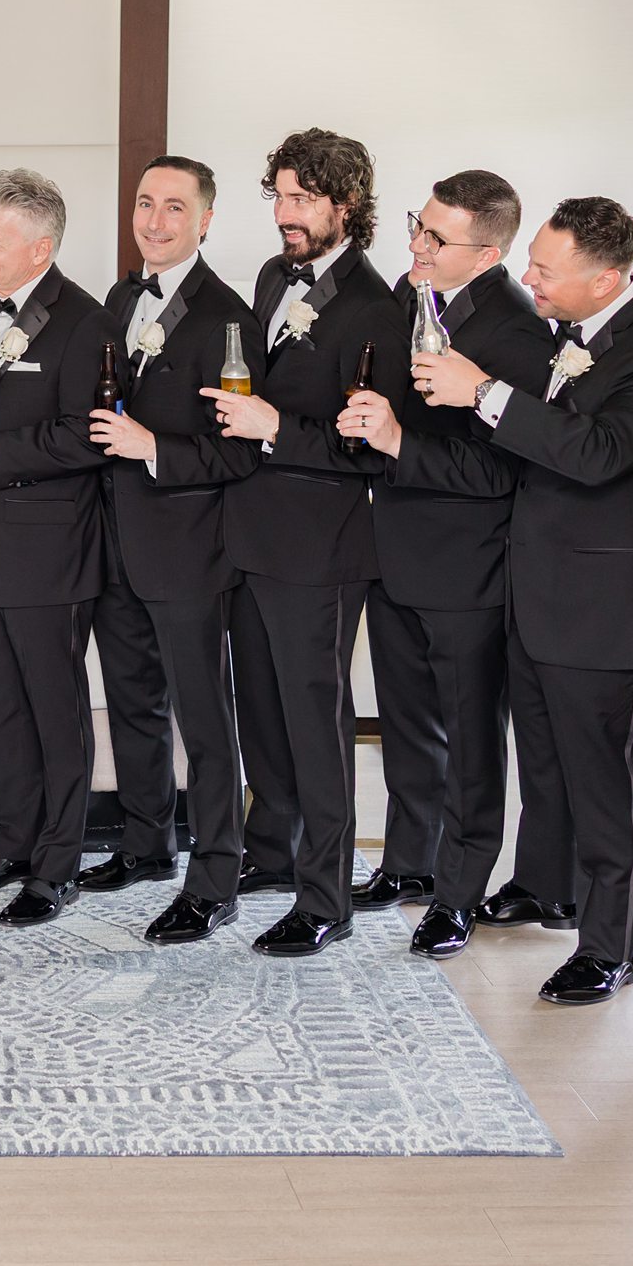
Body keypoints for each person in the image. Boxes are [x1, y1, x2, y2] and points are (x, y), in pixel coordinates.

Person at [366, 196, 633, 1004]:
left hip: (612, 601)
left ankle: (609, 941)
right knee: (547, 760)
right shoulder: (572, 335)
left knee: (607, 777)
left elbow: (597, 455)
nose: (529, 280)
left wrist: (482, 393)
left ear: (608, 278)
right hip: (538, 584)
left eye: (546, 271)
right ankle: (545, 886)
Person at [206, 128, 408, 958]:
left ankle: (325, 897)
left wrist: (272, 426)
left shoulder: (376, 307)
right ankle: (271, 851)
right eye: (279, 197)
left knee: (315, 722)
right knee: (261, 709)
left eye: (300, 200)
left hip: (322, 546)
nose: (284, 215)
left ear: (344, 206)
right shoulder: (270, 276)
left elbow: (366, 447)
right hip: (248, 533)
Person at [354, 172, 553, 959]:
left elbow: (501, 472)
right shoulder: (416, 299)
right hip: (395, 551)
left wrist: (399, 442)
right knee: (408, 726)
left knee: (470, 738)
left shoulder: (519, 333)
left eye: (437, 238)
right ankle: (407, 863)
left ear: (490, 251)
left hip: (469, 571)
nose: (417, 246)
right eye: (419, 227)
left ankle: (459, 893)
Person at [0, 168, 122, 927]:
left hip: (49, 555)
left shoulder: (86, 322)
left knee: (55, 712)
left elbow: (93, 434)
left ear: (40, 247)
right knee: (1, 710)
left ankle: (57, 865)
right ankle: (12, 844)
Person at [82, 155, 260, 943]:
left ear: (205, 221)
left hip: (189, 549)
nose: (154, 221)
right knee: (132, 703)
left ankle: (216, 874)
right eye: (145, 203)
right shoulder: (120, 296)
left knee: (203, 719)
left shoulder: (230, 317)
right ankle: (146, 842)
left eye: (174, 208)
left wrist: (152, 445)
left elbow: (241, 453)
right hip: (114, 539)